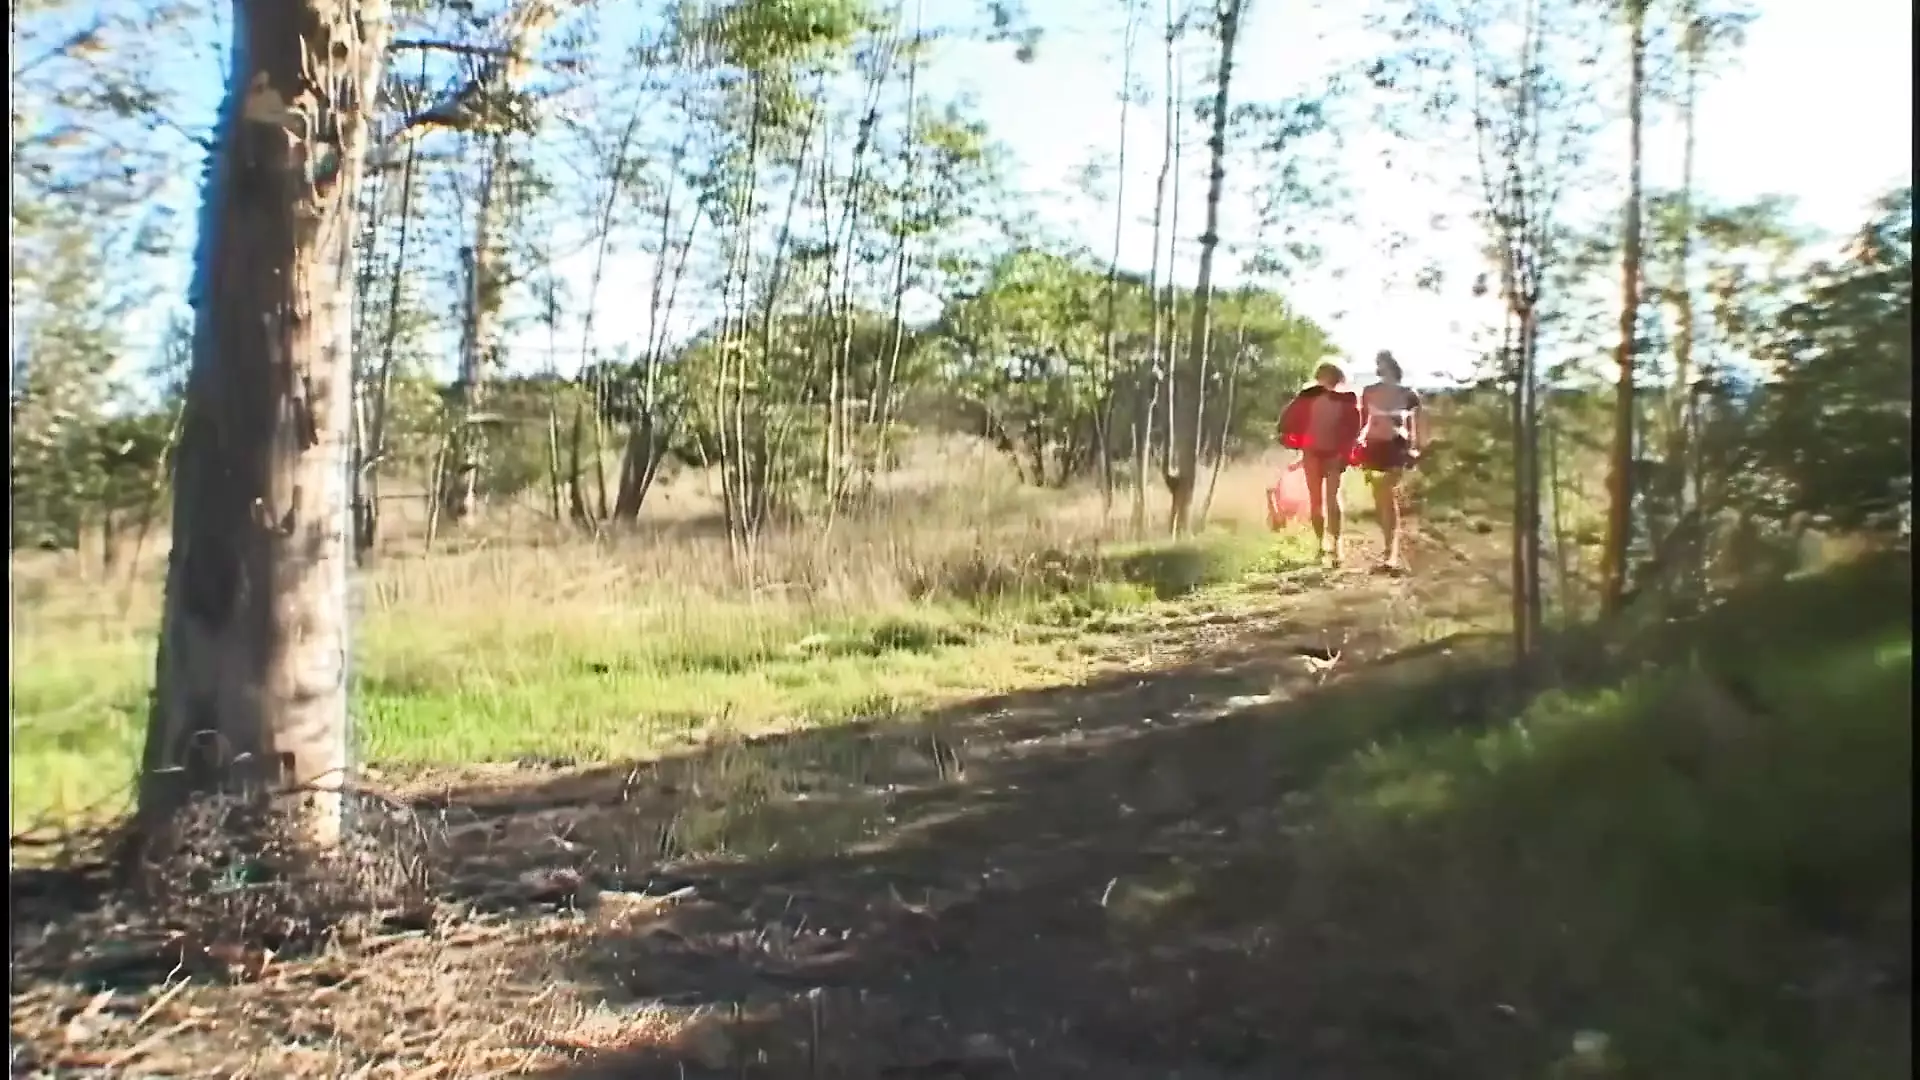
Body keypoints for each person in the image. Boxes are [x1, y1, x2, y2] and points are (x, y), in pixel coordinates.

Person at [1277, 362, 1362, 567]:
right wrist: (1294, 438)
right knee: (1319, 500)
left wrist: (1346, 451)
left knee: (1330, 499)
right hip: (1315, 452)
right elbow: (1287, 420)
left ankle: (1334, 545)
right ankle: (1324, 545)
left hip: (1330, 453)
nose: (1326, 379)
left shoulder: (1345, 398)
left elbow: (1354, 427)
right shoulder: (1310, 396)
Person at [1358, 350, 1424, 574]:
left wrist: (1414, 448)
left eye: (1384, 363)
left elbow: (1415, 424)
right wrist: (1357, 444)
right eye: (1379, 363)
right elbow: (1363, 422)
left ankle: (1392, 554)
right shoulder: (1369, 391)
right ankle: (1388, 549)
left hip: (1396, 446)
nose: (1381, 367)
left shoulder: (1408, 393)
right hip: (1374, 446)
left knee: (1387, 493)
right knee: (1380, 498)